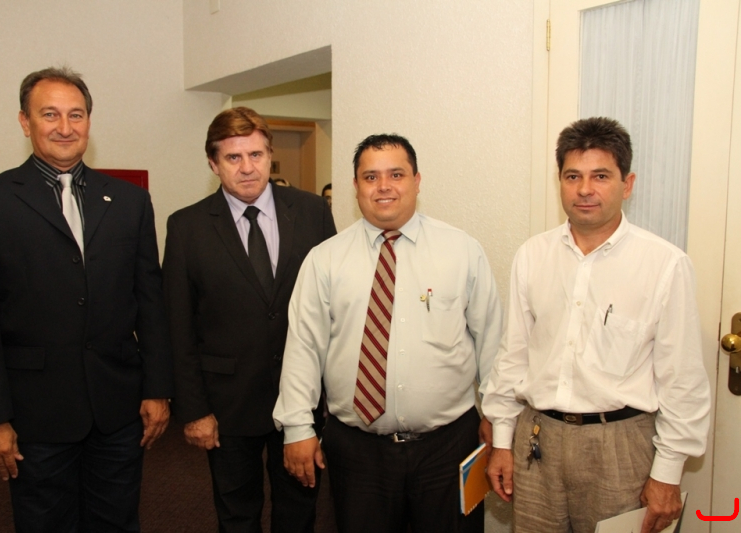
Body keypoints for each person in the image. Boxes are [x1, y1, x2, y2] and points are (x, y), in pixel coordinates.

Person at [0, 66, 173, 532]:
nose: (65, 127)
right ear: (24, 122)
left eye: (76, 114)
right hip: (34, 415)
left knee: (117, 521)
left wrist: (157, 388)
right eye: (49, 114)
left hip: (117, 409)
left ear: (89, 121)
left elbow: (150, 301)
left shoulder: (130, 201)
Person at [482, 117, 711, 533]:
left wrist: (668, 473)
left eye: (600, 176)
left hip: (621, 447)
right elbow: (513, 355)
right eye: (573, 176)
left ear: (627, 184)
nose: (585, 189)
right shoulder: (532, 255)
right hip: (537, 439)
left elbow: (683, 380)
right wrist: (501, 441)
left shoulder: (664, 264)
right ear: (560, 182)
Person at [273, 134, 503, 533]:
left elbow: (493, 344)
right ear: (355, 186)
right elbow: (303, 348)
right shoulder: (324, 260)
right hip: (357, 451)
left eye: (396, 174)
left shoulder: (462, 251)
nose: (384, 186)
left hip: (448, 447)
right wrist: (297, 427)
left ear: (417, 181)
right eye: (370, 177)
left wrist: (501, 421)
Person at [163, 106, 336, 533]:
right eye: (233, 157)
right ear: (213, 163)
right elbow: (178, 327)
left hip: (301, 398)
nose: (247, 168)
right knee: (237, 514)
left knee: (299, 511)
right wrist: (194, 411)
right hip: (227, 405)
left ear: (269, 155)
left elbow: (335, 306)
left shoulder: (312, 212)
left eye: (256, 155)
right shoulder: (186, 227)